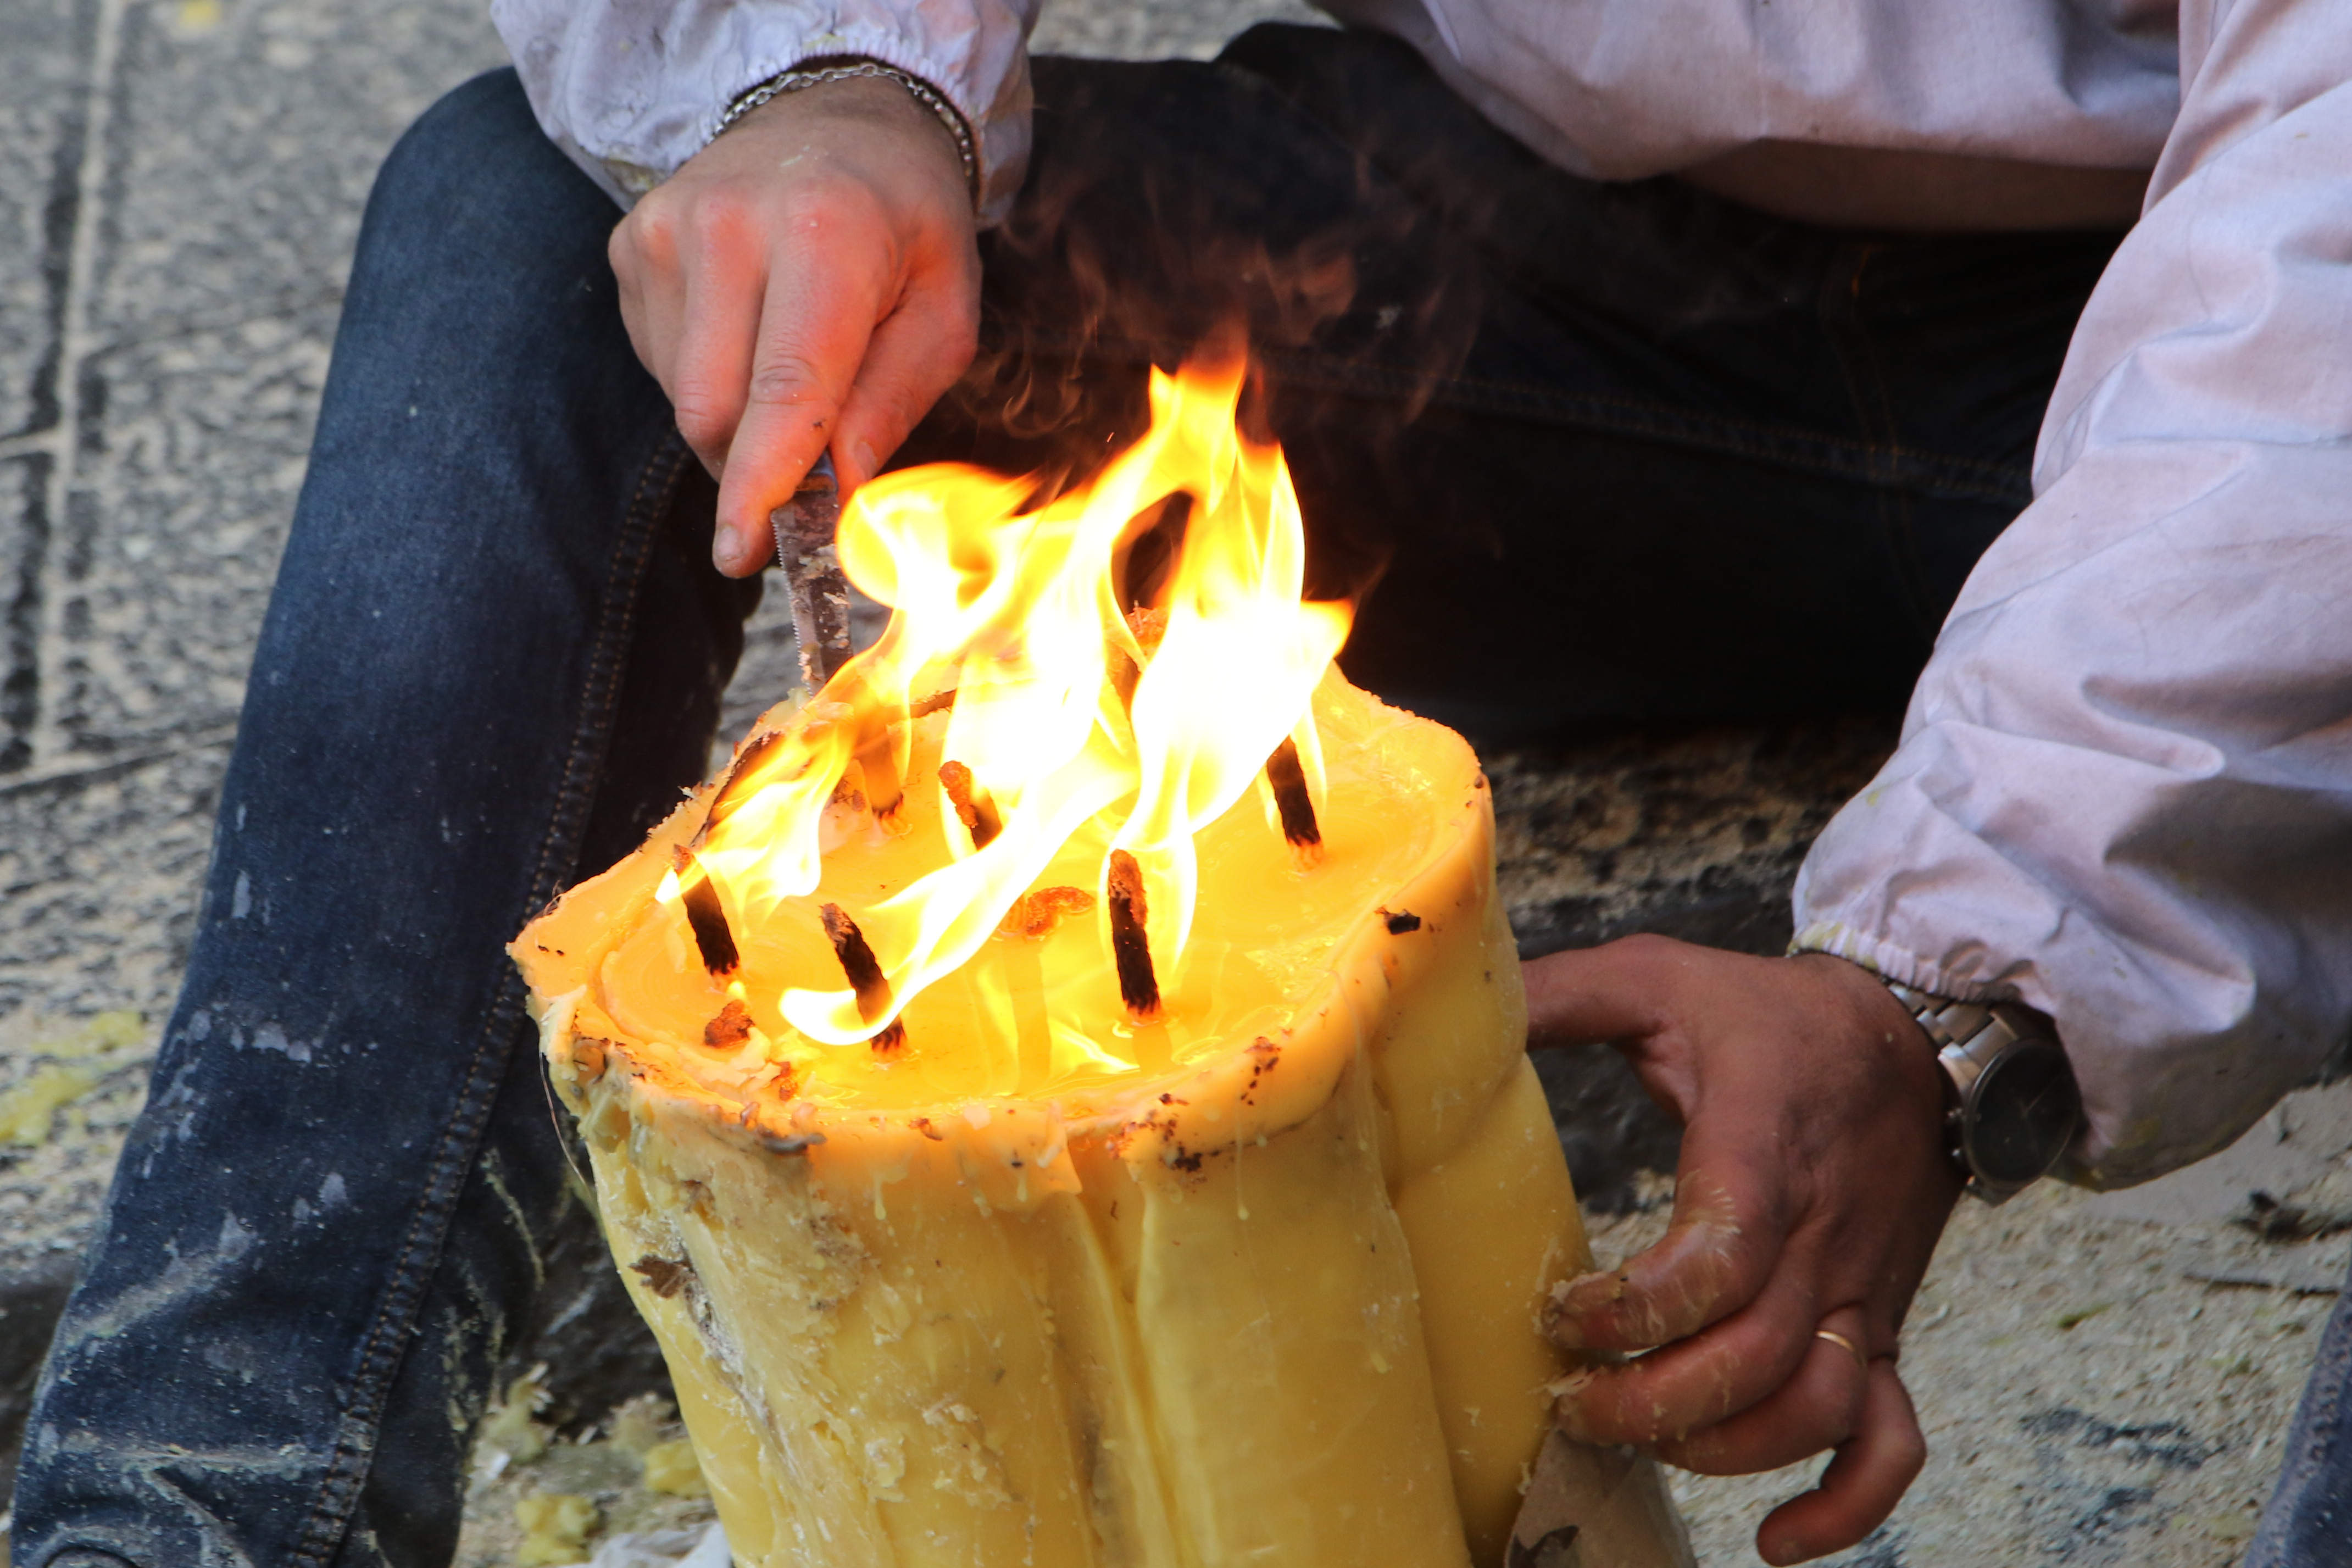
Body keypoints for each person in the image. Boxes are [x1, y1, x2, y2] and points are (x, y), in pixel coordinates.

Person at [12, 2, 2351, 1566]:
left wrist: (1957, 961)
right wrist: (833, 81)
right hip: (1537, 277)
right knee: (529, 226)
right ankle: (194, 1494)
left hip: (2232, 314)